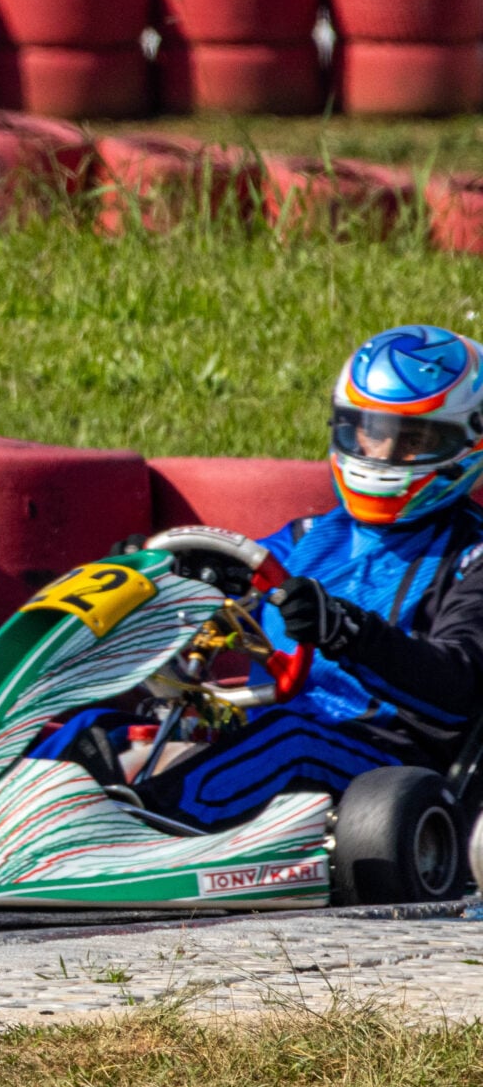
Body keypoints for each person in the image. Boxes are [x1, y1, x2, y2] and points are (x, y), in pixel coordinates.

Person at [135, 324, 483, 826]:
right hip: (268, 738)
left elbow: (455, 691)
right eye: (371, 431)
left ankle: (140, 829)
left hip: (390, 769)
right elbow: (233, 584)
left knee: (290, 738)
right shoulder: (308, 539)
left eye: (414, 440)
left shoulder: (471, 555)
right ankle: (10, 829)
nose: (381, 456)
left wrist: (347, 632)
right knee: (99, 726)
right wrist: (156, 578)